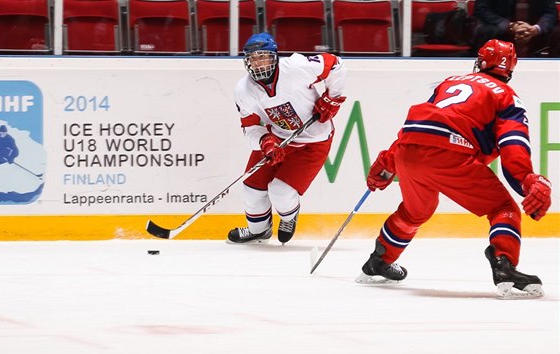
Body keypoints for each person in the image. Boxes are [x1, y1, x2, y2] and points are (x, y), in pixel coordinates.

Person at [356, 39, 552, 298]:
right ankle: (505, 267)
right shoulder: (506, 96)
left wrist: (388, 161)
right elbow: (512, 142)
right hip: (450, 153)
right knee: (502, 209)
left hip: (408, 148)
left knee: (416, 211)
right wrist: (525, 179)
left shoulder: (449, 82)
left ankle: (378, 261)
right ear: (510, 70)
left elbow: (426, 124)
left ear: (480, 62)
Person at [227, 32, 347, 244]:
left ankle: (289, 216)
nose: (258, 62)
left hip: (314, 142)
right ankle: (258, 230)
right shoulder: (243, 90)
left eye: (262, 56)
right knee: (251, 187)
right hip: (278, 140)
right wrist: (264, 141)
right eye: (253, 58)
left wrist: (332, 98)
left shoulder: (296, 67)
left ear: (274, 56)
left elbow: (335, 64)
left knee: (281, 192)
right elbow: (250, 127)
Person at [472, 0, 560, 57]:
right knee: (486, 31)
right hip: (500, 30)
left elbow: (551, 13)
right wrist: (509, 26)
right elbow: (482, 10)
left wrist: (537, 29)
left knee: (557, 32)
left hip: (534, 31)